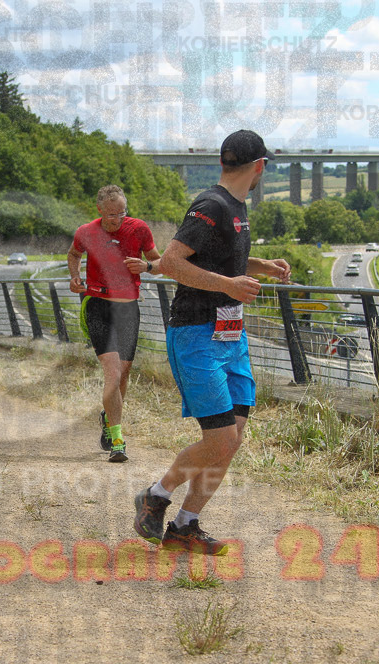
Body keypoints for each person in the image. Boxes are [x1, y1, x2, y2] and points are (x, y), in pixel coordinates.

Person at [133, 130, 291, 554]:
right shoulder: (211, 205)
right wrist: (230, 284)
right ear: (260, 166)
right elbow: (170, 262)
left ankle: (186, 526)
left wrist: (263, 266)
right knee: (220, 439)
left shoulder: (235, 208)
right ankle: (155, 496)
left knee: (232, 437)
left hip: (231, 335)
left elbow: (221, 259)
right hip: (197, 332)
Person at [67, 185, 161, 463]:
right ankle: (118, 440)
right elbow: (74, 254)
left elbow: (159, 260)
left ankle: (109, 418)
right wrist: (75, 278)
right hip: (98, 306)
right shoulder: (86, 231)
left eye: (121, 213)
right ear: (99, 210)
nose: (116, 219)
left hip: (128, 309)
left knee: (125, 372)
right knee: (113, 372)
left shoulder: (139, 229)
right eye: (110, 214)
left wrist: (147, 267)